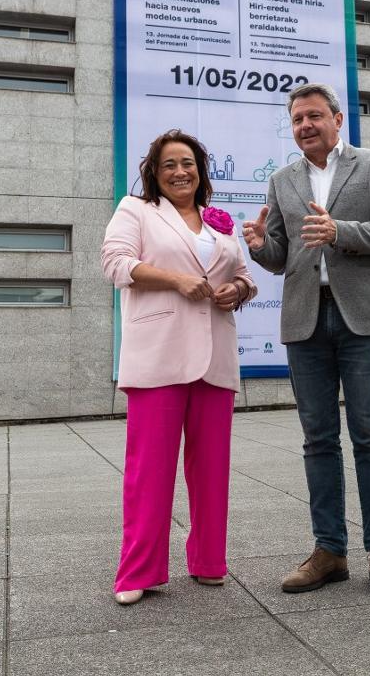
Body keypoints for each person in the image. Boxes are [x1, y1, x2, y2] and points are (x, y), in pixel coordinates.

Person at [242, 83, 370, 599]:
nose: (305, 126)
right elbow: (283, 256)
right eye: (297, 119)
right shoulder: (282, 179)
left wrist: (340, 232)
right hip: (305, 321)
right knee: (318, 440)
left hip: (363, 318)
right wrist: (259, 247)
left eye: (314, 116)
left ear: (338, 120)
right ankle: (329, 550)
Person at [101, 129, 257, 606]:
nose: (179, 171)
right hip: (159, 353)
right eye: (168, 164)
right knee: (149, 470)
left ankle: (209, 561)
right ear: (154, 171)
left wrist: (240, 291)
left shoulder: (219, 221)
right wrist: (175, 280)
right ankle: (138, 571)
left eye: (187, 162)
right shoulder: (136, 210)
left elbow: (244, 276)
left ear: (200, 169)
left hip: (215, 356)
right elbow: (114, 263)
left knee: (212, 468)